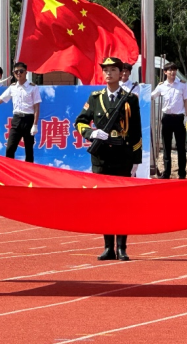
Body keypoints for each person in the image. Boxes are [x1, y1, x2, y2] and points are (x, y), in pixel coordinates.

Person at [75, 57, 142, 261]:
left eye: (113, 70)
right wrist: (92, 133)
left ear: (121, 73)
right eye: (106, 70)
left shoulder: (130, 99)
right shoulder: (95, 97)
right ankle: (107, 247)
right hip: (101, 157)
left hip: (122, 156)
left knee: (122, 203)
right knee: (104, 203)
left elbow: (136, 131)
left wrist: (136, 160)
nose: (109, 73)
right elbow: (80, 121)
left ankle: (121, 247)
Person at [0, 62, 41, 163]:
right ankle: (10, 170)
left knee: (29, 149)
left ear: (26, 72)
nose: (18, 73)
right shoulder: (13, 87)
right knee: (10, 148)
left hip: (29, 120)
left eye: (21, 71)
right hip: (17, 119)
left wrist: (35, 125)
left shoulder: (33, 87)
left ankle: (28, 171)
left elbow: (36, 107)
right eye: (16, 72)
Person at [151, 63, 187, 179]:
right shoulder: (162, 86)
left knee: (181, 147)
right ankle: (167, 172)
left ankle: (182, 173)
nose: (172, 72)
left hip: (179, 119)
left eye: (174, 70)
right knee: (166, 147)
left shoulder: (182, 85)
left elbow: (186, 100)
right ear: (165, 72)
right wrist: (142, 90)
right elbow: (152, 96)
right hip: (166, 118)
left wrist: (186, 117)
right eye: (170, 70)